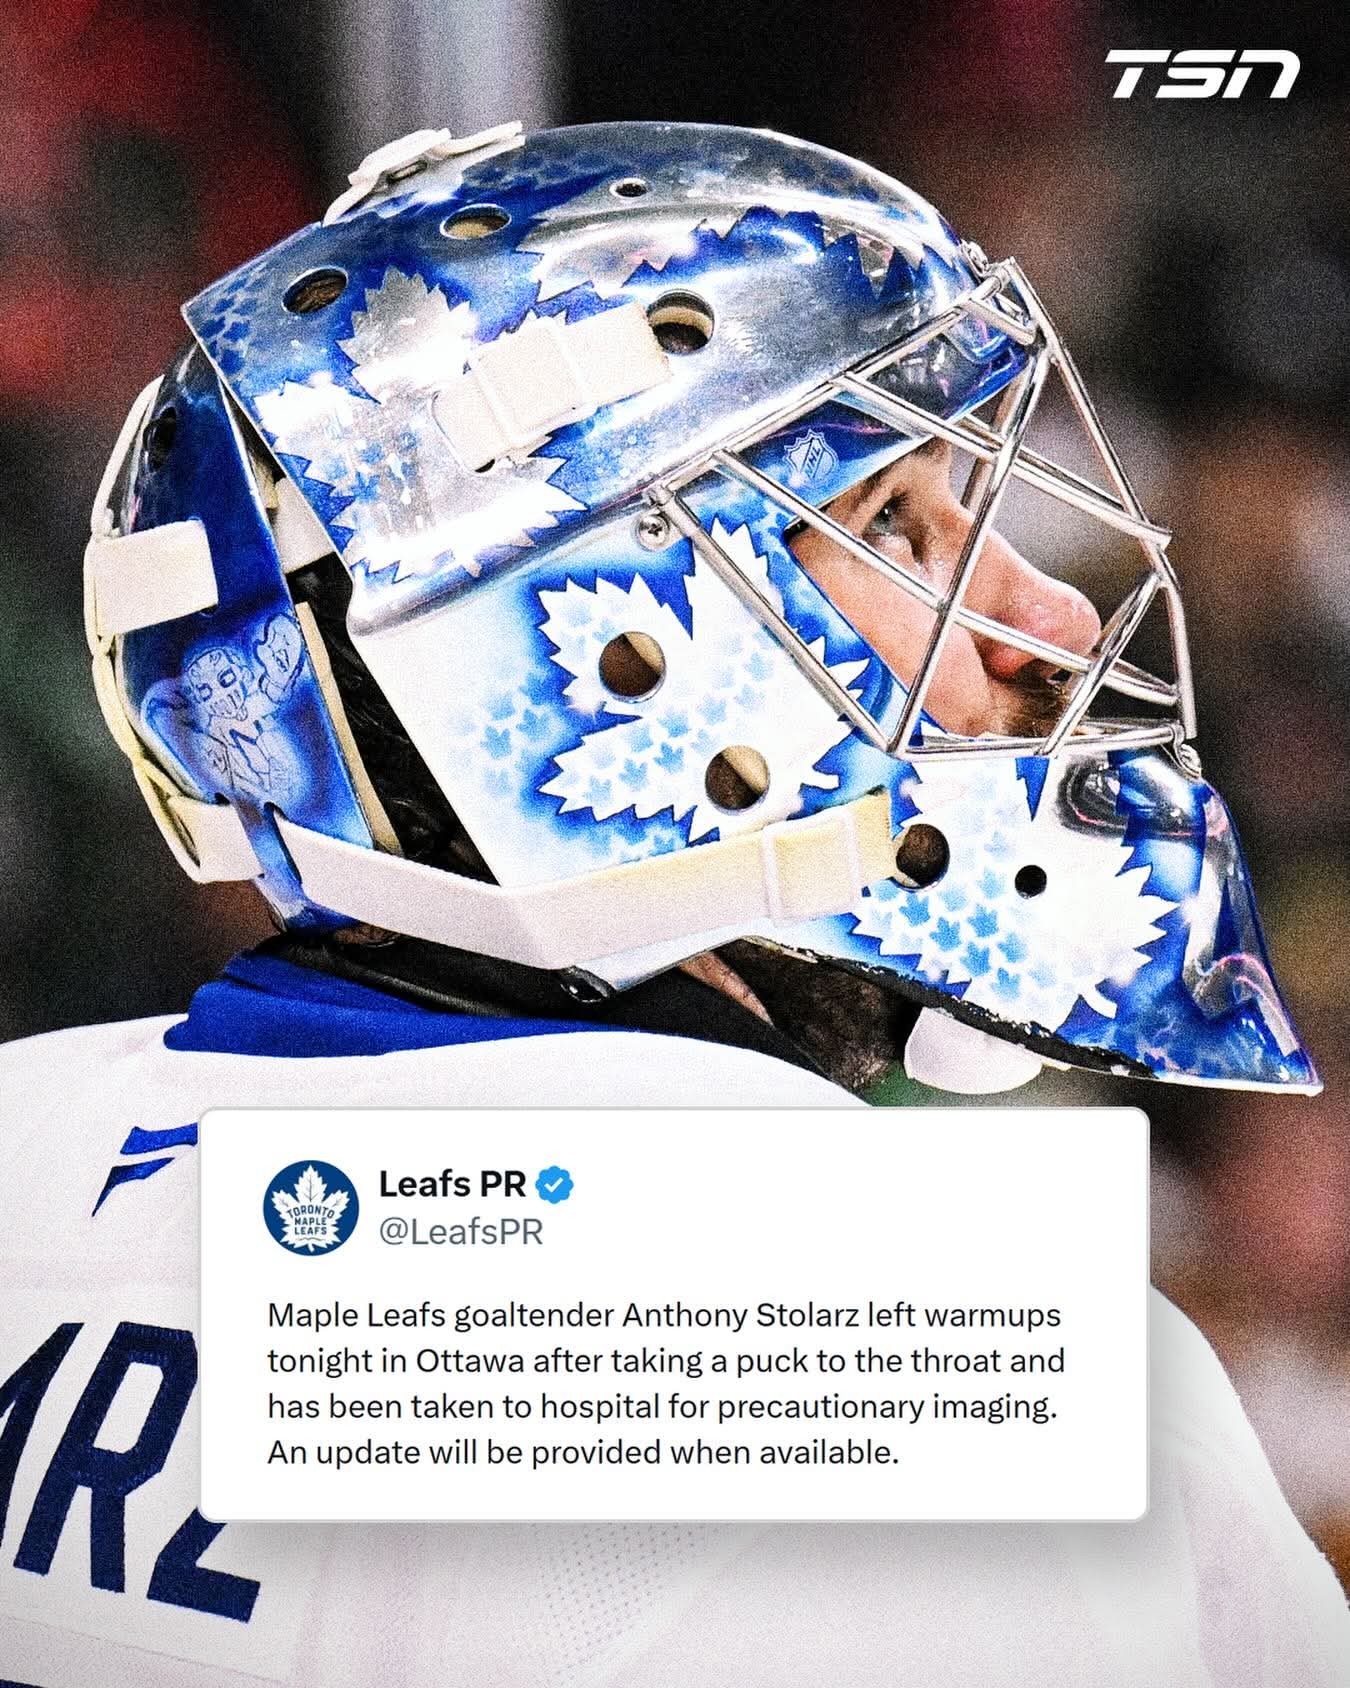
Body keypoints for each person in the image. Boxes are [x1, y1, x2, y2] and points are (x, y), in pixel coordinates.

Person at [1, 120, 1346, 1686]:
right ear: (579, 659)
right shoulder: (891, 1356)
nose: (1041, 615)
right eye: (890, 524)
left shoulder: (28, 1139)